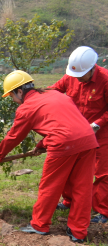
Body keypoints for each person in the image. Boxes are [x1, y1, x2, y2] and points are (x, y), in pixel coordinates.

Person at [0, 70, 98, 243]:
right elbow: (62, 122)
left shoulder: (26, 108)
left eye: (12, 96)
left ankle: (39, 225)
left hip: (63, 144)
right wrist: (41, 145)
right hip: (88, 139)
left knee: (50, 186)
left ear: (20, 91)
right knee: (83, 188)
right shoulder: (55, 94)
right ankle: (78, 232)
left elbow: (14, 136)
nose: (13, 101)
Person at [49, 46, 108, 224]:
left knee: (103, 172)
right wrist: (36, 96)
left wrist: (97, 124)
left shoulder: (105, 80)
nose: (78, 79)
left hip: (101, 132)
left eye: (82, 75)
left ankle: (103, 211)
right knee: (70, 165)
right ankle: (69, 200)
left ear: (92, 68)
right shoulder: (72, 76)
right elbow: (54, 91)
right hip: (76, 132)